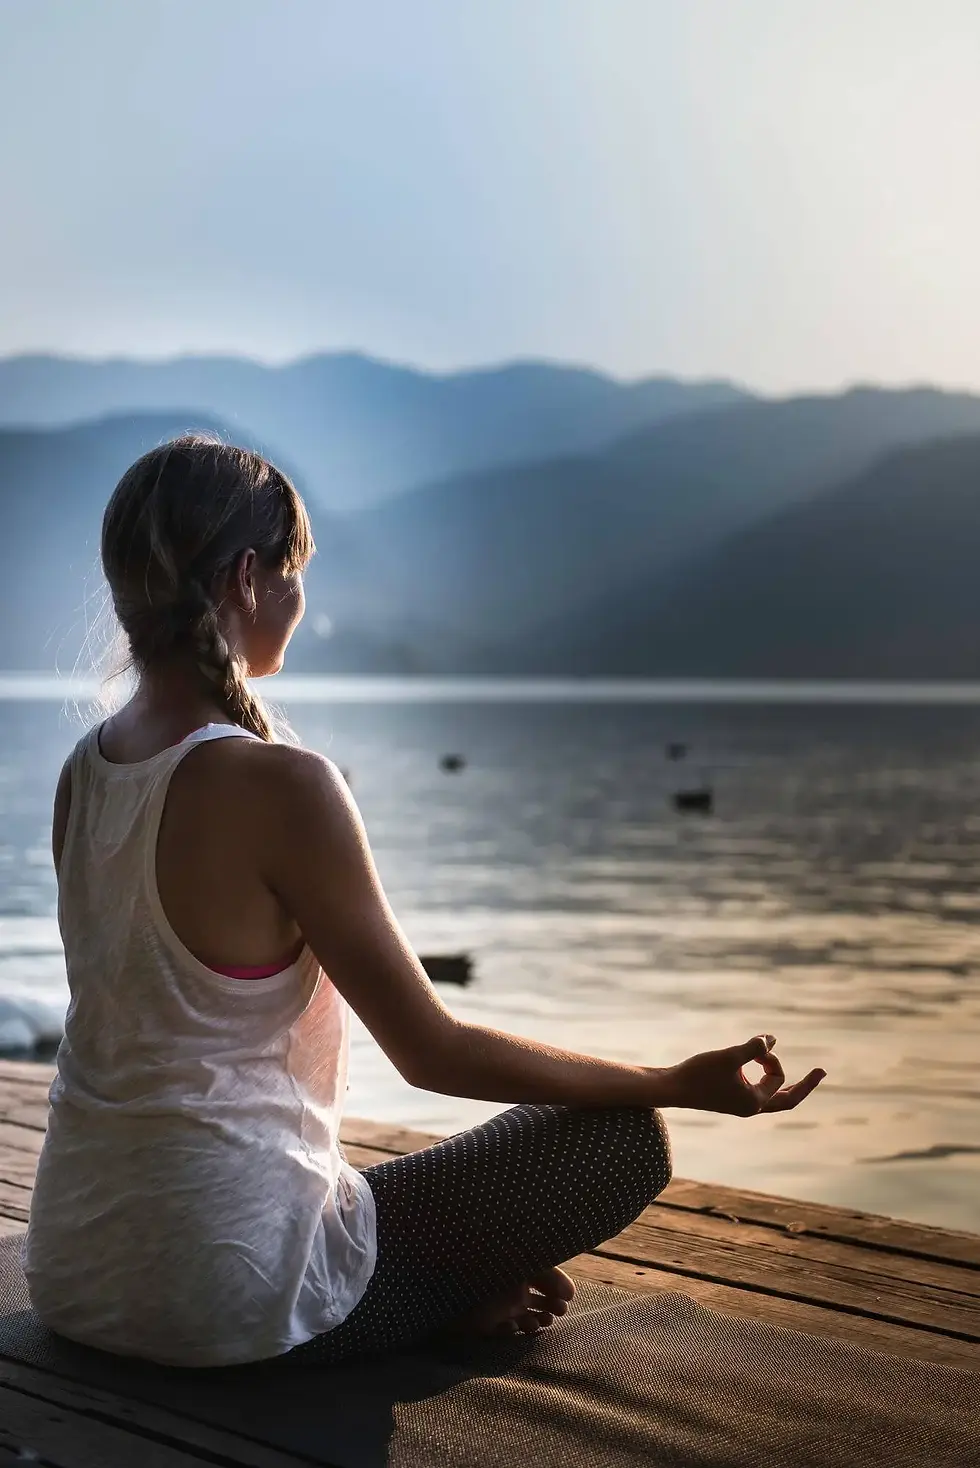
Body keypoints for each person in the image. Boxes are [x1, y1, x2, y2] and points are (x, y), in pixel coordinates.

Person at [22, 435, 827, 1370]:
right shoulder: (284, 783)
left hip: (75, 1272)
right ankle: (435, 1297)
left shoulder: (87, 772)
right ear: (248, 578)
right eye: (294, 573)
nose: (300, 598)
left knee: (348, 1191)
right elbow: (431, 1052)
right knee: (620, 1138)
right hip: (221, 1303)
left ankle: (439, 1290)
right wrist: (673, 1084)